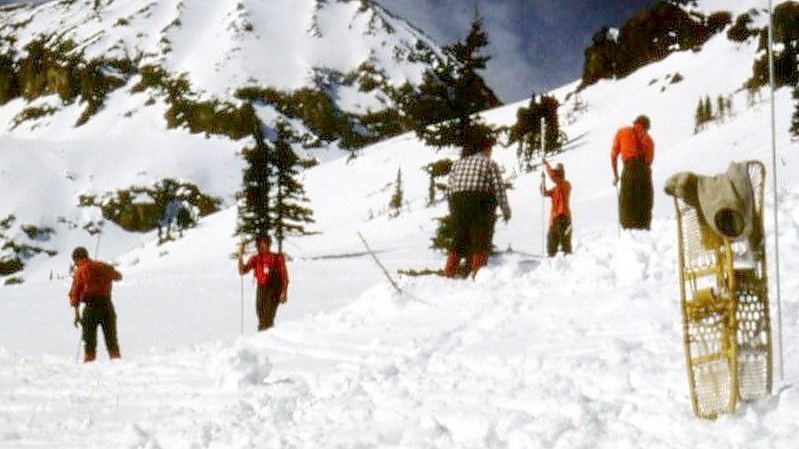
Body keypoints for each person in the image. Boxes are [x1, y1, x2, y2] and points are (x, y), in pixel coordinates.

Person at [444, 133, 511, 278]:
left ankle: (449, 272)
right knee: (481, 237)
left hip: (458, 200)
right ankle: (478, 273)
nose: (491, 152)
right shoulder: (489, 163)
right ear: (484, 149)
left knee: (459, 238)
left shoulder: (457, 164)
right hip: (480, 200)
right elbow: (499, 188)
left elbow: (449, 190)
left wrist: (453, 211)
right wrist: (505, 210)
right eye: (490, 149)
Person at [68, 246, 123, 363]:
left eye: (75, 261)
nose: (76, 265)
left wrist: (77, 315)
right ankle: (117, 363)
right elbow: (119, 276)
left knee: (89, 341)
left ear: (77, 259)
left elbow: (75, 295)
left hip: (90, 308)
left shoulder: (79, 271)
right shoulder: (103, 266)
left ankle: (89, 364)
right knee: (111, 339)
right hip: (107, 306)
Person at [611, 115, 655, 230]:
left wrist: (616, 175)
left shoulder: (622, 132)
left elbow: (613, 155)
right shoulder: (649, 140)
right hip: (644, 170)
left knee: (627, 200)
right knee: (645, 200)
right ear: (647, 127)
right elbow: (649, 160)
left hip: (629, 168)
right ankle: (644, 227)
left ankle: (628, 228)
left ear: (635, 123)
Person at [238, 235, 289, 331]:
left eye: (264, 244)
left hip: (274, 289)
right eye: (259, 244)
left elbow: (284, 276)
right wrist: (240, 254)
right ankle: (263, 337)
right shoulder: (256, 258)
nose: (261, 247)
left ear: (269, 244)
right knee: (260, 315)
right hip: (261, 288)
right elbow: (242, 270)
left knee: (267, 318)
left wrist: (284, 292)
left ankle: (264, 338)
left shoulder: (277, 258)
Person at [540, 160, 572, 256]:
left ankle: (567, 263)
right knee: (551, 244)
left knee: (565, 246)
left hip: (564, 220)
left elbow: (553, 177)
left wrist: (546, 165)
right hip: (554, 220)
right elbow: (544, 192)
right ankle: (552, 262)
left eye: (557, 172)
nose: (556, 174)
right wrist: (543, 181)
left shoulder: (566, 185)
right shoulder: (555, 189)